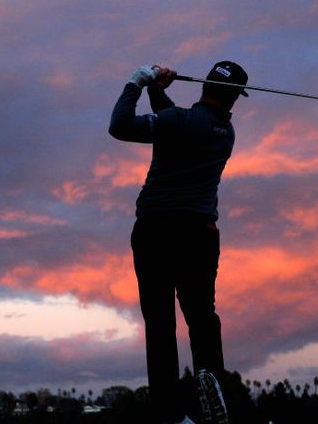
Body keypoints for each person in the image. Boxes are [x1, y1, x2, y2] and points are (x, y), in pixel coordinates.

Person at [109, 61, 248, 424]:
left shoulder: (181, 122)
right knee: (202, 319)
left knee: (159, 324)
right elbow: (174, 122)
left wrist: (137, 82)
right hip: (199, 236)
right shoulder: (225, 132)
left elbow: (120, 126)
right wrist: (158, 90)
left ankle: (169, 414)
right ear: (233, 98)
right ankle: (212, 396)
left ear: (205, 86)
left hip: (156, 231)